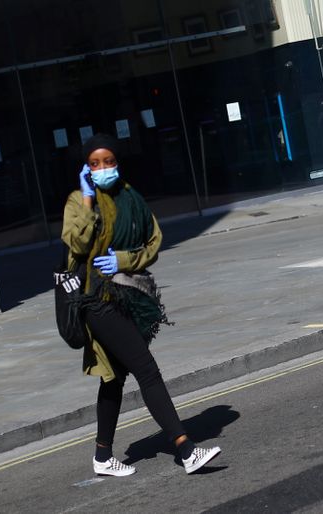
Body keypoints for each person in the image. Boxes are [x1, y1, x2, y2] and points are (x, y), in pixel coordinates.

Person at [61, 133, 221, 476]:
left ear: (117, 162)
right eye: (94, 163)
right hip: (96, 300)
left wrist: (123, 259)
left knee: (114, 378)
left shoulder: (132, 198)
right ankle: (186, 449)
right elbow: (77, 244)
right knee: (146, 369)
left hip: (130, 295)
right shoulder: (78, 200)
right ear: (86, 168)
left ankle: (103, 457)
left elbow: (154, 242)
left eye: (108, 161)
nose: (102, 168)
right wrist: (89, 201)